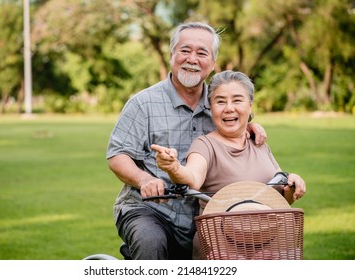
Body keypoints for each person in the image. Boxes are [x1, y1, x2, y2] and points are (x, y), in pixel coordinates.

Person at [106, 22, 267, 260]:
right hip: (149, 210)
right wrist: (145, 180)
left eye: (202, 53)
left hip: (208, 213)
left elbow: (237, 122)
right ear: (172, 55)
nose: (192, 59)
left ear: (212, 63)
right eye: (185, 50)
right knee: (151, 242)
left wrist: (250, 126)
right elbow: (117, 155)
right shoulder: (143, 103)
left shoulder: (219, 104)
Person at [151, 69, 306, 259]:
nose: (229, 108)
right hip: (221, 249)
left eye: (237, 100)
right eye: (220, 101)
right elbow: (192, 178)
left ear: (250, 106)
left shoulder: (260, 144)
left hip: (267, 244)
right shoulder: (205, 145)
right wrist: (173, 167)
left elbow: (279, 200)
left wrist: (293, 183)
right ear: (211, 107)